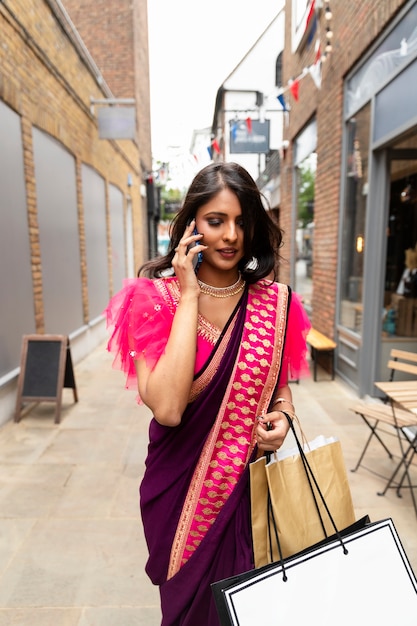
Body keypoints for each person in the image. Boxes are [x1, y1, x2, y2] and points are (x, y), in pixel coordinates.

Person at [105, 162, 311, 625]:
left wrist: (283, 414)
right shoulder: (153, 300)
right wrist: (190, 294)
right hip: (182, 500)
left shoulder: (275, 303)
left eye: (242, 221)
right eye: (216, 221)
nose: (231, 235)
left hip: (247, 494)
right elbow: (170, 409)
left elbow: (278, 387)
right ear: (191, 224)